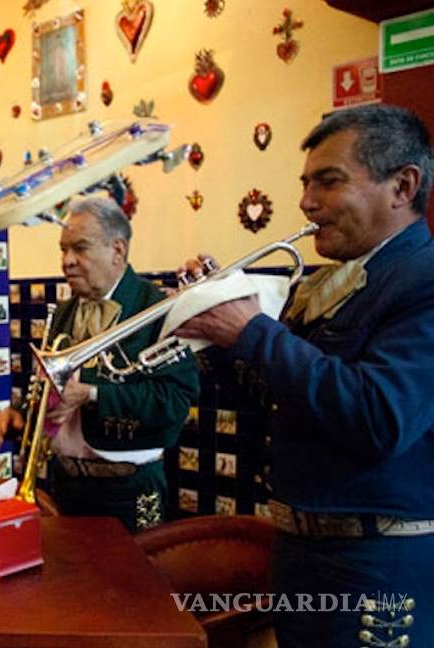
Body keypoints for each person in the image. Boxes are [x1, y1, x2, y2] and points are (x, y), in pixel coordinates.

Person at [173, 105, 434, 648]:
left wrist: (253, 333)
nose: (306, 202)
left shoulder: (423, 281)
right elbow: (277, 402)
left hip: (375, 565)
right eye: (306, 183)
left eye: (328, 182)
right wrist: (218, 334)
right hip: (301, 551)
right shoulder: (332, 283)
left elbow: (378, 418)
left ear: (402, 185)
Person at [0, 197, 199, 532]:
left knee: (133, 583)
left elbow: (174, 404)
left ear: (118, 250)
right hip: (66, 485)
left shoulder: (158, 308)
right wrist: (24, 415)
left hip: (129, 491)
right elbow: (53, 392)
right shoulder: (62, 313)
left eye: (80, 248)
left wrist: (92, 395)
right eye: (63, 249)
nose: (67, 261)